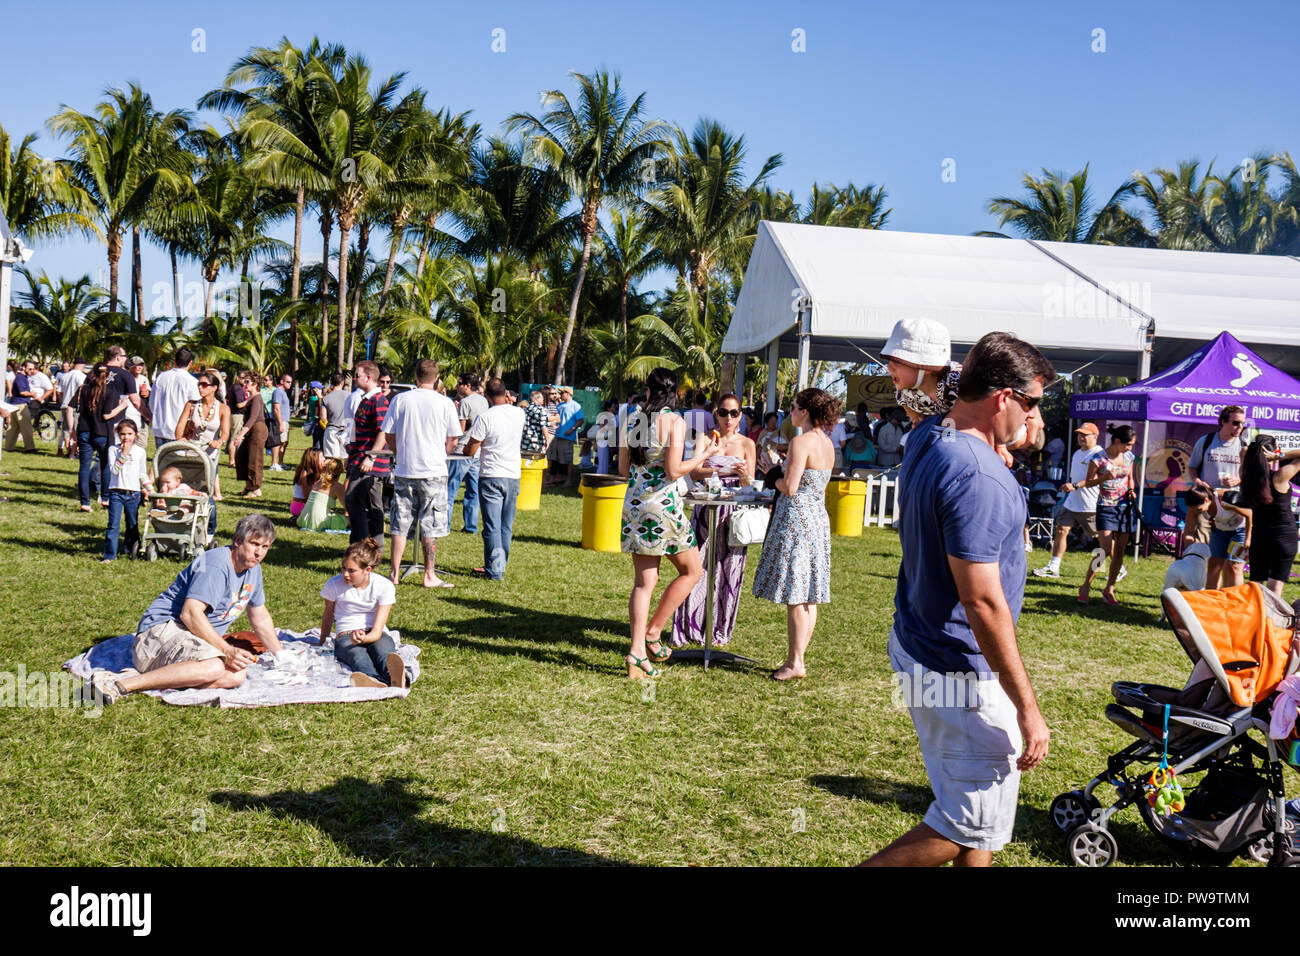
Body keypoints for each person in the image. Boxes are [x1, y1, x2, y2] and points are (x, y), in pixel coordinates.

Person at [864, 331, 1053, 867]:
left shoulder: (930, 438)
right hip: (959, 669)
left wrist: (999, 444)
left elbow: (936, 403)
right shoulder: (978, 477)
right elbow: (983, 603)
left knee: (985, 817)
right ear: (1003, 398)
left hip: (924, 646)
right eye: (1033, 403)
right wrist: (1028, 707)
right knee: (965, 821)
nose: (1036, 418)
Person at [85, 514, 285, 704]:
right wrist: (226, 650)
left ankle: (151, 678)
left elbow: (259, 616)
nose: (259, 553)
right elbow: (190, 614)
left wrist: (282, 656)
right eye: (254, 544)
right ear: (238, 540)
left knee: (236, 676)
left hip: (191, 640)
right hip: (160, 634)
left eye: (265, 547)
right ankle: (119, 685)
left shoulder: (253, 570)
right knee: (214, 667)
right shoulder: (217, 564)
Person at [619, 367, 719, 679]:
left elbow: (624, 469)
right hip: (663, 507)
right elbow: (675, 471)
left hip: (635, 506)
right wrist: (705, 454)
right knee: (692, 570)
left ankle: (637, 654)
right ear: (674, 393)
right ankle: (653, 633)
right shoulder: (674, 422)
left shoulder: (632, 419)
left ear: (648, 390)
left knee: (643, 583)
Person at [752, 388, 837, 680]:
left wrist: (771, 473)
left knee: (797, 594)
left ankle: (795, 662)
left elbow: (789, 487)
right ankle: (798, 658)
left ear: (805, 411)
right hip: (817, 517)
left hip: (798, 518)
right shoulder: (826, 441)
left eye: (794, 406)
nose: (790, 411)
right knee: (809, 593)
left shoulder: (802, 441)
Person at [366, 359, 462, 588]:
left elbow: (388, 433)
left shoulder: (400, 399)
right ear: (436, 378)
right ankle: (429, 574)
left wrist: (400, 451)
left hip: (405, 469)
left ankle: (394, 573)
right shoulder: (445, 403)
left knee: (400, 522)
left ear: (416, 377)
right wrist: (442, 453)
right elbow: (453, 439)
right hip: (434, 470)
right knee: (431, 522)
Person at [673, 392, 756, 649]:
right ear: (715, 413)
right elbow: (696, 472)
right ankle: (690, 625)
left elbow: (749, 482)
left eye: (733, 413)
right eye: (723, 412)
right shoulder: (707, 438)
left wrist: (741, 474)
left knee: (729, 568)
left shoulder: (747, 444)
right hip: (706, 508)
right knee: (697, 567)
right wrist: (725, 468)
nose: (728, 418)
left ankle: (719, 628)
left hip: (733, 513)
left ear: (740, 415)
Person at [319, 537, 405, 689]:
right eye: (343, 568)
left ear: (367, 570)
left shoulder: (383, 586)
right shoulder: (333, 584)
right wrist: (323, 642)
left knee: (383, 652)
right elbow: (328, 614)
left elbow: (378, 630)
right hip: (346, 635)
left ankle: (397, 678)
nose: (345, 574)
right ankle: (371, 679)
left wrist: (366, 637)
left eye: (351, 571)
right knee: (357, 656)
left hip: (375, 633)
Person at [464, 377, 526, 580]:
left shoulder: (486, 417)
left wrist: (468, 449)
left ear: (487, 396)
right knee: (505, 525)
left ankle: (495, 569)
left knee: (492, 526)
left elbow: (472, 446)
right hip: (513, 474)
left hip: (491, 474)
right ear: (506, 393)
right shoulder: (519, 413)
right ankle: (500, 564)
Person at [1033, 423, 1106, 578]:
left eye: (1085, 434)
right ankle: (1053, 567)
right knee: (1061, 530)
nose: (1081, 437)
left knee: (1102, 538)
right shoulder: (1077, 453)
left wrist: (1074, 485)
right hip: (1073, 502)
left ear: (1095, 436)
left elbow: (1097, 480)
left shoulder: (1100, 454)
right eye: (1080, 434)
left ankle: (1118, 568)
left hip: (1090, 504)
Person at [1076, 424, 1138, 605]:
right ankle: (1086, 585)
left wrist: (1132, 490)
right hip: (1105, 507)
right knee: (1103, 550)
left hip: (1125, 507)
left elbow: (1130, 478)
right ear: (1118, 441)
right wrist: (1104, 478)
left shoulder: (1129, 457)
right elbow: (1088, 483)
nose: (1130, 448)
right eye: (1128, 444)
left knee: (1119, 551)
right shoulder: (1098, 459)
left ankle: (1109, 589)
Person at [1239, 436, 1300, 597]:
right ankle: (1270, 621)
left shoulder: (1246, 477)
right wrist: (1280, 455)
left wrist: (1256, 451)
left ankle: (1255, 618)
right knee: (1275, 588)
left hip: (1260, 536)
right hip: (1283, 536)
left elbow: (1243, 451)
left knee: (1255, 586)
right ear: (1272, 453)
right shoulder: (1280, 477)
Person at [1186, 405, 1247, 545]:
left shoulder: (1244, 444)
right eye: (1236, 423)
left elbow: (1251, 474)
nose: (1240, 426)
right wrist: (1197, 481)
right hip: (1207, 501)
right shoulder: (1206, 441)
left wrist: (1238, 479)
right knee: (1203, 545)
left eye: (1243, 423)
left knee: (1230, 555)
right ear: (1223, 422)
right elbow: (1192, 467)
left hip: (1233, 503)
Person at [345, 361, 390, 548]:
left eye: (357, 375)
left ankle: (361, 546)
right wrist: (352, 452)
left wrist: (370, 457)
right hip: (359, 458)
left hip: (370, 462)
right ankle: (370, 547)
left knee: (354, 500)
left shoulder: (379, 400)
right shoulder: (365, 399)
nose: (354, 378)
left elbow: (383, 431)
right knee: (371, 504)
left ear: (368, 378)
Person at [176, 369, 230, 505]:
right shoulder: (191, 405)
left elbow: (225, 432)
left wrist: (220, 441)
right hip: (191, 452)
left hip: (210, 455)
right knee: (187, 488)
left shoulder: (223, 408)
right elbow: (179, 428)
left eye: (205, 385)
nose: (200, 387)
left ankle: (211, 525)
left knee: (207, 493)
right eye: (199, 384)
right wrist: (181, 439)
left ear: (214, 388)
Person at [102, 419, 149, 562]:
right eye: (122, 434)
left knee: (132, 524)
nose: (126, 437)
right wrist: (123, 454)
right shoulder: (113, 450)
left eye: (129, 434)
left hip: (133, 493)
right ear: (118, 434)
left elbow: (142, 473)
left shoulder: (140, 452)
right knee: (113, 525)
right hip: (116, 492)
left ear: (135, 434)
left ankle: (131, 549)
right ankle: (109, 554)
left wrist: (149, 489)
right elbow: (114, 471)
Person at [447, 372, 486, 534]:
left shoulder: (465, 402)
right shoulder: (484, 401)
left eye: (459, 383)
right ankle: (471, 526)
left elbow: (460, 429)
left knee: (450, 489)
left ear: (468, 386)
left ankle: (445, 524)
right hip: (477, 450)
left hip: (462, 450)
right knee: (473, 491)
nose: (457, 386)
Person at [75, 363, 112, 509]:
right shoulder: (109, 392)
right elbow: (106, 415)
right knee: (105, 466)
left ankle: (85, 502)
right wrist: (122, 406)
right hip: (102, 431)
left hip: (84, 430)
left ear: (92, 374)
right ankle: (105, 498)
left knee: (84, 466)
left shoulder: (84, 389)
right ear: (108, 375)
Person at [149, 348, 200, 445]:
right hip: (179, 432)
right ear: (190, 363)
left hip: (160, 429)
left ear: (175, 361)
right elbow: (195, 409)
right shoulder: (192, 381)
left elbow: (152, 403)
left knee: (162, 459)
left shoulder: (161, 377)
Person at [231, 371, 269, 497]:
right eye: (244, 381)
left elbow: (253, 418)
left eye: (247, 382)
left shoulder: (257, 398)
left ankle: (256, 488)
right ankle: (248, 485)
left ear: (255, 384)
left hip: (257, 430)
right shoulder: (251, 398)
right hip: (251, 430)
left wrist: (240, 434)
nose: (244, 384)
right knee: (242, 456)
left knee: (254, 459)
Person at [547, 385, 584, 486]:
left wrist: (572, 429)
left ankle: (569, 480)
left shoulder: (575, 406)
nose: (560, 394)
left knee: (568, 460)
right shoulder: (559, 405)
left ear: (568, 394)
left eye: (562, 393)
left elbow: (580, 420)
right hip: (556, 436)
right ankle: (554, 478)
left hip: (567, 437)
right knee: (554, 459)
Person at [57, 358, 87, 457]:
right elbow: (82, 391)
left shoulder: (65, 375)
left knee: (66, 430)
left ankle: (68, 450)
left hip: (64, 405)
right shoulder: (81, 376)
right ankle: (73, 453)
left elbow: (60, 392)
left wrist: (62, 402)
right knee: (75, 430)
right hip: (74, 406)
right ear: (83, 365)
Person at [320, 372, 350, 464]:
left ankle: (331, 477)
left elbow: (323, 418)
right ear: (342, 383)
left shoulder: (326, 398)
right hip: (346, 430)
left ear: (331, 383)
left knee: (331, 460)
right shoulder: (349, 396)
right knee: (347, 458)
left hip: (332, 429)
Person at [269, 373, 293, 471]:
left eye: (291, 382)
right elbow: (276, 408)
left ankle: (280, 463)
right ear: (282, 381)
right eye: (287, 382)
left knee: (284, 442)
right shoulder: (278, 392)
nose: (289, 384)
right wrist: (280, 423)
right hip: (279, 421)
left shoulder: (284, 392)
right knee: (277, 442)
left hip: (285, 421)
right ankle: (274, 464)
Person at [755, 411, 787, 480]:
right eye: (771, 420)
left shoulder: (780, 433)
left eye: (775, 420)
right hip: (762, 466)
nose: (774, 422)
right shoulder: (763, 433)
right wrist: (756, 462)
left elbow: (787, 446)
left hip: (776, 466)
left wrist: (773, 444)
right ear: (767, 422)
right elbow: (759, 448)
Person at [521, 388, 550, 457]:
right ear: (537, 399)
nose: (543, 400)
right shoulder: (540, 410)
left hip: (524, 441)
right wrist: (547, 440)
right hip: (535, 442)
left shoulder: (525, 409)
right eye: (542, 398)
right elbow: (543, 426)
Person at [595, 398, 618, 474]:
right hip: (603, 441)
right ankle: (600, 476)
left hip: (609, 441)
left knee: (606, 460)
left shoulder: (615, 416)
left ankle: (603, 475)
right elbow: (601, 429)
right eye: (613, 406)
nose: (615, 408)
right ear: (608, 408)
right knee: (602, 461)